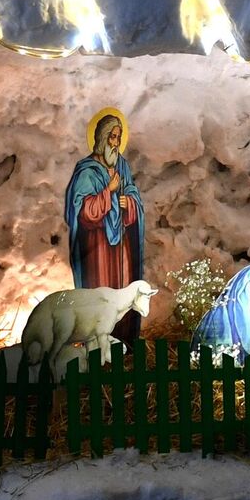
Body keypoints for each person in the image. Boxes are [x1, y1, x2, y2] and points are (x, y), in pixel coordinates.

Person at [65, 108, 146, 342]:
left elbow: (133, 197)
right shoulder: (86, 171)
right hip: (97, 247)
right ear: (101, 138)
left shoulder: (122, 166)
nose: (116, 142)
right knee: (101, 293)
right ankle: (98, 343)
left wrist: (128, 202)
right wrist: (108, 193)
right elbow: (83, 212)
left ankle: (123, 341)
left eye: (119, 137)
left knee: (122, 290)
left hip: (122, 245)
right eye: (112, 137)